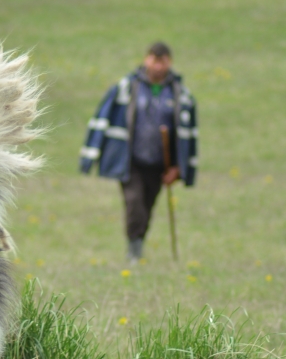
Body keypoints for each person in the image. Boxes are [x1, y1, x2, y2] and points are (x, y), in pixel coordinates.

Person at [79, 42, 198, 263]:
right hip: (131, 161)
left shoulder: (181, 95)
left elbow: (188, 135)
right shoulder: (127, 87)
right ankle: (134, 251)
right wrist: (89, 156)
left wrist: (179, 168)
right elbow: (102, 117)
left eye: (162, 61)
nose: (158, 65)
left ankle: (137, 244)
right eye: (154, 59)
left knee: (147, 207)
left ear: (169, 62)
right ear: (146, 59)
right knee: (135, 203)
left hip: (159, 163)